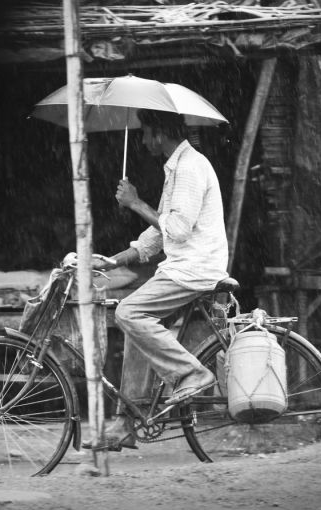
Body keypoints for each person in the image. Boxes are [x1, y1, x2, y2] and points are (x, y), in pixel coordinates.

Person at [89, 109, 229, 451]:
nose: (142, 140)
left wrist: (135, 202)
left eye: (145, 133)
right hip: (181, 267)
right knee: (137, 326)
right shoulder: (177, 168)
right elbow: (157, 235)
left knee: (128, 313)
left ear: (159, 133)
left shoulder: (190, 168)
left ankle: (191, 374)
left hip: (193, 269)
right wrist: (112, 261)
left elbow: (177, 231)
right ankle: (127, 423)